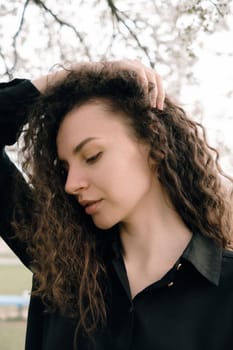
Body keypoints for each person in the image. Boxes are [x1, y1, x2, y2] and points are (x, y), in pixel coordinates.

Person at [0, 61, 232, 350]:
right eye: (65, 168)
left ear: (155, 146)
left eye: (92, 156)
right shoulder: (59, 264)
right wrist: (69, 77)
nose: (71, 185)